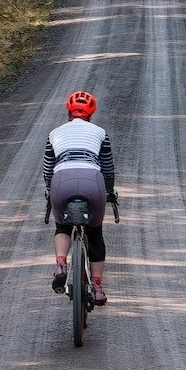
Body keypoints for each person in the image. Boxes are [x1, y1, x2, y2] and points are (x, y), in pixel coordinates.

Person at [42, 90, 117, 305]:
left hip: (61, 180)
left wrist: (50, 191)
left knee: (62, 226)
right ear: (91, 113)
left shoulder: (55, 133)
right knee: (95, 232)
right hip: (91, 179)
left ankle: (60, 264)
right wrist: (109, 192)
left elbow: (48, 168)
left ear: (68, 111)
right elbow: (108, 169)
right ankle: (98, 286)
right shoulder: (100, 132)